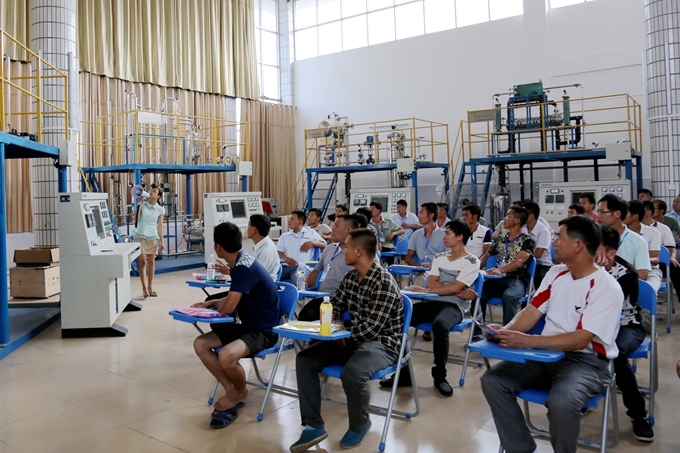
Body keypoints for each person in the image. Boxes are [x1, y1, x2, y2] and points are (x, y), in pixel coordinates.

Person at [480, 215, 623, 453]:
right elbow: (531, 311)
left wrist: (527, 341)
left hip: (586, 363)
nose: (553, 243)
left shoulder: (606, 287)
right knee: (493, 380)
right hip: (545, 356)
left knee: (562, 402)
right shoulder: (556, 273)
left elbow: (581, 340)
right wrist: (505, 330)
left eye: (560, 237)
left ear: (578, 245)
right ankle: (521, 449)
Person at [290, 229, 404, 453]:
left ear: (359, 251)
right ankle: (313, 425)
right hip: (352, 338)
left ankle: (360, 424)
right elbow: (333, 305)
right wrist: (336, 324)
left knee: (352, 373)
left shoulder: (384, 282)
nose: (342, 251)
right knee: (305, 359)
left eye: (346, 247)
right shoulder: (351, 277)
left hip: (382, 344)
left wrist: (344, 333)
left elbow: (372, 329)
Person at [191, 222, 280, 426]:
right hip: (248, 326)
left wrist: (206, 311)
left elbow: (228, 309)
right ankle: (231, 389)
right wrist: (210, 303)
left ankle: (240, 391)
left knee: (226, 355)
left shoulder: (242, 268)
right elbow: (233, 297)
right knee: (200, 343)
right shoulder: (241, 262)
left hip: (263, 331)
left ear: (218, 247)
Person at [380, 220, 480, 396]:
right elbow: (436, 283)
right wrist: (456, 290)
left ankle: (440, 376)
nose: (444, 237)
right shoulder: (440, 257)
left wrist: (449, 290)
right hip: (432, 302)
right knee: (397, 319)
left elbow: (452, 287)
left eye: (448, 233)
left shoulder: (471, 261)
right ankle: (404, 371)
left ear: (460, 236)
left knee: (440, 326)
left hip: (454, 306)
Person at [598, 226, 654, 441]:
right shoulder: (585, 267)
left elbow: (607, 305)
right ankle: (582, 395)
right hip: (596, 325)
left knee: (616, 353)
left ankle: (638, 414)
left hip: (627, 325)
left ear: (611, 252)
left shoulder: (627, 273)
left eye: (595, 248)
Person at [478, 206, 535, 329]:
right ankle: (476, 333)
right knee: (477, 293)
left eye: (508, 215)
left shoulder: (527, 240)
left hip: (516, 280)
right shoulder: (501, 238)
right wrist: (473, 268)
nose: (504, 218)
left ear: (517, 220)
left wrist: (501, 270)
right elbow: (487, 255)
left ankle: (507, 332)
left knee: (509, 296)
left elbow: (520, 261)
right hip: (497, 280)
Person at [298, 214, 359, 321]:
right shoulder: (329, 248)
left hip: (345, 300)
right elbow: (317, 270)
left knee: (314, 315)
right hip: (323, 297)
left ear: (349, 230)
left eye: (336, 226)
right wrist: (306, 284)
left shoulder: (358, 253)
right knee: (305, 315)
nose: (332, 229)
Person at [597, 194, 652, 286]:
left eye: (602, 212)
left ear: (617, 214)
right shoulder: (593, 238)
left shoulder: (638, 242)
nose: (598, 216)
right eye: (598, 212)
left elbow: (642, 274)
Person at [278, 211, 326, 285]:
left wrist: (312, 243)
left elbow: (325, 246)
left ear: (300, 222)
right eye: (289, 219)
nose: (289, 221)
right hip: (286, 266)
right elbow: (279, 252)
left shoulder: (311, 233)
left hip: (303, 267)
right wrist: (286, 259)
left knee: (297, 278)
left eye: (292, 219)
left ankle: (298, 293)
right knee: (269, 276)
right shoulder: (285, 236)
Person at [133, 186, 165, 298]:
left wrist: (162, 241)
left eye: (154, 191)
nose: (151, 192)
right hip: (140, 235)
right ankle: (144, 288)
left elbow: (160, 226)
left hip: (153, 237)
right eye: (151, 190)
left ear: (158, 196)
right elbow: (136, 219)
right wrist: (139, 205)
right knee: (143, 262)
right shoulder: (143, 205)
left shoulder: (160, 209)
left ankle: (150, 288)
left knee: (151, 262)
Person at [623, 200, 662, 291]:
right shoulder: (620, 233)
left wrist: (640, 260)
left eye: (626, 213)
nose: (622, 215)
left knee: (648, 289)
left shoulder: (653, 233)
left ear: (635, 216)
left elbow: (655, 259)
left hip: (650, 270)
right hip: (625, 269)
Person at [522, 201, 553, 287]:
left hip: (541, 265)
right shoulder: (522, 228)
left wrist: (521, 257)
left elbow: (538, 254)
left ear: (531, 216)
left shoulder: (543, 231)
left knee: (540, 278)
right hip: (524, 263)